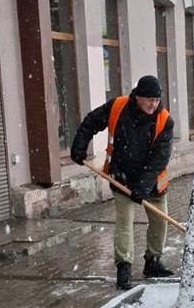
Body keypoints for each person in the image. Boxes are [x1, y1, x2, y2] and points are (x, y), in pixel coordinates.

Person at [70, 74, 175, 290]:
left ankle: (153, 261)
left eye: (156, 100)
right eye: (149, 100)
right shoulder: (117, 107)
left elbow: (159, 158)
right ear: (138, 97)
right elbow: (91, 122)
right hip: (122, 178)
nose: (153, 105)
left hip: (153, 182)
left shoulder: (165, 120)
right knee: (125, 223)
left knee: (159, 221)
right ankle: (124, 267)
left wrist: (142, 187)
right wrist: (79, 146)